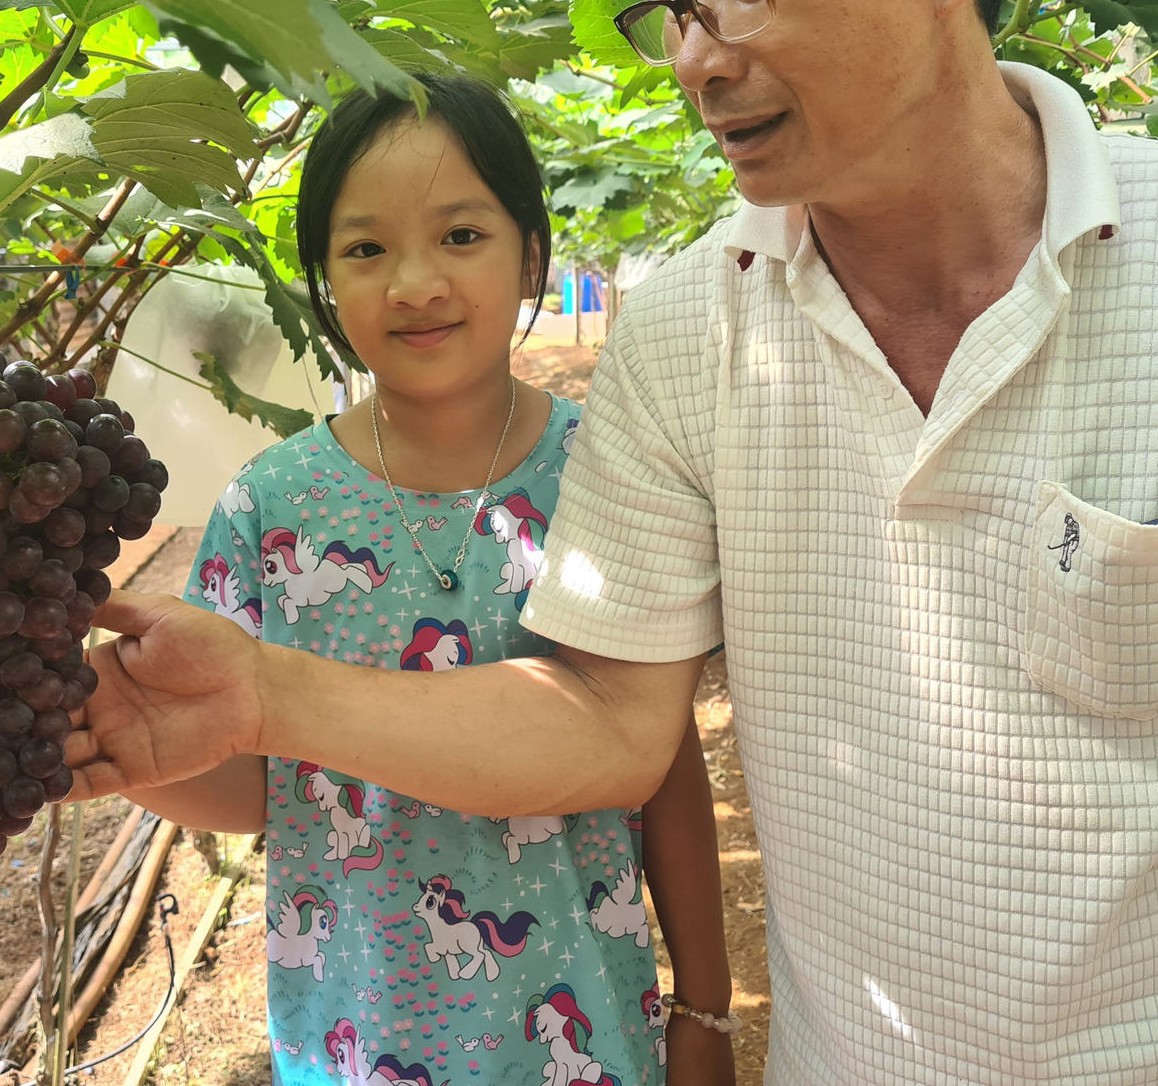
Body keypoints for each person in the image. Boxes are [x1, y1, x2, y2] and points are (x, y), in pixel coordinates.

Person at [69, 0, 1158, 1080]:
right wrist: (263, 694)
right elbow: (611, 722)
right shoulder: (686, 332)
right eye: (672, 5)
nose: (697, 55)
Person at [109, 74, 735, 1085]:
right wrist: (106, 733)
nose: (415, 284)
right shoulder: (271, 505)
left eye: (460, 236)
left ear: (532, 253)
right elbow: (246, 783)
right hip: (359, 1039)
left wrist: (705, 1010)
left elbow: (656, 759)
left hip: (584, 1041)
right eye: (366, 249)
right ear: (322, 276)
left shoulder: (608, 471)